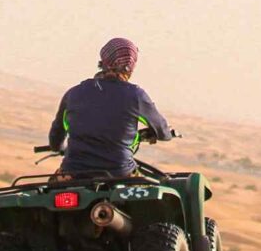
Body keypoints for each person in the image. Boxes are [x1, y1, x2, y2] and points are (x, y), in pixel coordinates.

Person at [48, 37, 173, 178]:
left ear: (103, 61)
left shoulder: (73, 94)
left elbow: (55, 138)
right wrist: (157, 133)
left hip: (73, 173)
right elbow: (163, 132)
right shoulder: (136, 96)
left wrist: (59, 148)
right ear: (131, 66)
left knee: (50, 192)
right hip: (120, 174)